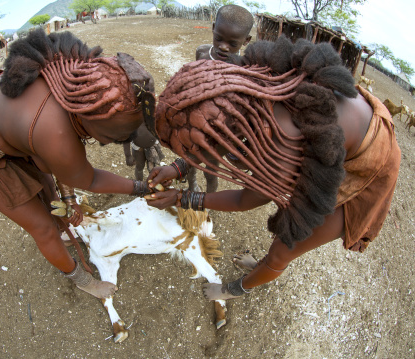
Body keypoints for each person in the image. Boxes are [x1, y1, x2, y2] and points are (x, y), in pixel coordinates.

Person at [145, 36, 400, 301]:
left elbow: (245, 199)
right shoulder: (247, 84)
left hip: (372, 165)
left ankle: (234, 290)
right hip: (352, 123)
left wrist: (181, 198)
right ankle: (258, 269)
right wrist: (178, 168)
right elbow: (222, 130)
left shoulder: (285, 144)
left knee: (283, 250)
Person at [0, 28, 156, 300]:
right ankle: (82, 280)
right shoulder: (55, 134)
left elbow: (56, 162)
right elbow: (87, 178)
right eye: (117, 136)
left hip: (8, 125)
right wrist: (141, 187)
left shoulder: (72, 81)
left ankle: (63, 230)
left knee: (51, 196)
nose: (117, 141)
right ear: (90, 118)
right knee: (43, 227)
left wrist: (67, 199)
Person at [191, 4, 255, 193]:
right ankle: (191, 183)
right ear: (213, 28)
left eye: (233, 43)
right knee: (188, 158)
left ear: (246, 40)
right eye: (218, 38)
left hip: (218, 128)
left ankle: (206, 203)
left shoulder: (244, 67)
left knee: (210, 170)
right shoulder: (202, 53)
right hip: (196, 117)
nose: (223, 47)